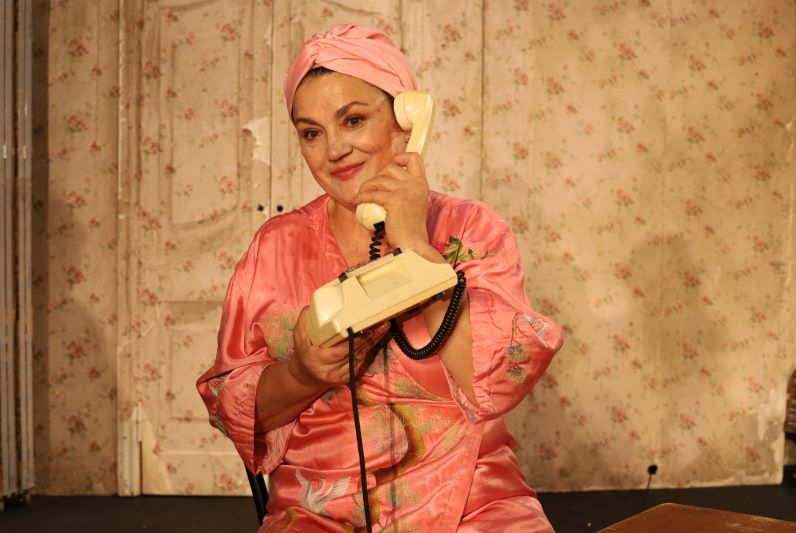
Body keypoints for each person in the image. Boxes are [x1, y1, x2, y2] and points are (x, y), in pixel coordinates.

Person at [197, 23, 563, 532]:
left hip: (471, 500)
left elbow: (501, 380)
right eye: (311, 133)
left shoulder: (472, 229)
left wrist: (416, 246)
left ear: (406, 119)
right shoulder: (274, 249)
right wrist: (303, 374)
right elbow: (233, 410)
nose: (334, 150)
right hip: (320, 510)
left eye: (353, 120)